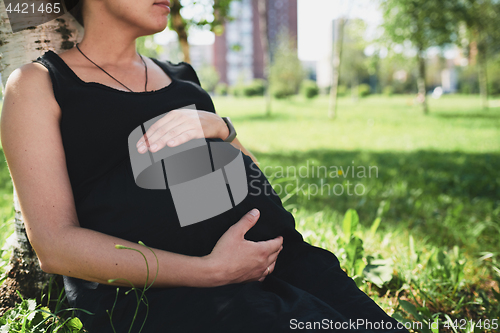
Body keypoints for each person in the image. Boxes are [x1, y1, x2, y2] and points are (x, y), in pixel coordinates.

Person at [0, 0, 409, 332]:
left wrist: (221, 128)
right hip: (163, 295)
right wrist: (211, 272)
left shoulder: (183, 79)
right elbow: (54, 246)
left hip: (281, 261)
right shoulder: (40, 84)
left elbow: (252, 185)